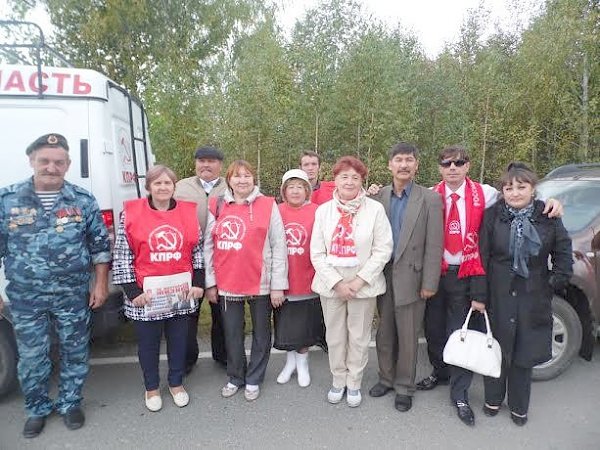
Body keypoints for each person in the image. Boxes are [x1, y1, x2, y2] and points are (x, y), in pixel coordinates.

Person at [414, 145, 563, 427]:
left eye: (459, 162)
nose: (453, 167)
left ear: (468, 166)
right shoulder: (430, 195)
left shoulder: (485, 193)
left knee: (461, 332)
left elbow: (520, 196)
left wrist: (550, 202)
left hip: (470, 272)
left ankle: (459, 394)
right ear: (439, 168)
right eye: (447, 163)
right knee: (433, 330)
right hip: (437, 272)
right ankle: (440, 371)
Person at [0, 133, 110, 438]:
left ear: (68, 164)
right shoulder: (6, 200)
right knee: (33, 355)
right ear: (31, 160)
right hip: (25, 296)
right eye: (45, 160)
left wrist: (100, 284)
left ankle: (70, 403)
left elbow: (100, 246)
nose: (51, 166)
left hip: (72, 293)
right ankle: (37, 408)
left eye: (58, 161)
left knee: (74, 351)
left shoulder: (82, 200)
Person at [479, 162, 572, 426]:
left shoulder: (548, 216)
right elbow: (482, 256)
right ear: (503, 191)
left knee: (523, 352)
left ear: (533, 189)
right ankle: (493, 399)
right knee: (496, 349)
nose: (515, 192)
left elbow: (563, 252)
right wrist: (480, 293)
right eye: (509, 188)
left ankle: (519, 406)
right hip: (498, 291)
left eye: (521, 187)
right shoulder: (492, 216)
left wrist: (553, 282)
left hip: (533, 293)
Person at [113, 165, 204, 412]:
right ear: (149, 187)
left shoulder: (187, 213)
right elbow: (121, 256)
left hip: (179, 293)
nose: (163, 188)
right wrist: (133, 292)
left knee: (179, 341)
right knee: (148, 344)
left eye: (167, 183)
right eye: (157, 183)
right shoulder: (131, 213)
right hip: (146, 295)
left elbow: (197, 251)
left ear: (174, 186)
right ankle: (151, 387)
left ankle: (176, 383)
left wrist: (198, 284)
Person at [310, 156, 393, 408]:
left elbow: (383, 249)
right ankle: (338, 380)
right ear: (335, 180)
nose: (349, 181)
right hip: (331, 285)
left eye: (355, 177)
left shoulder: (375, 210)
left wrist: (358, 282)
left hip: (363, 286)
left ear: (362, 181)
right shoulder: (323, 211)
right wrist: (337, 283)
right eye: (344, 176)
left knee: (358, 337)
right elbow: (317, 252)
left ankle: (354, 382)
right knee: (335, 336)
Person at [367, 143, 443, 413]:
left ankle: (404, 387)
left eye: (409, 160)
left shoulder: (430, 199)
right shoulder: (377, 197)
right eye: (398, 160)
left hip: (413, 277)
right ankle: (386, 378)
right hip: (383, 275)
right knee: (385, 332)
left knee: (408, 335)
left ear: (416, 165)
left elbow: (435, 244)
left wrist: (430, 283)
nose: (403, 165)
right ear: (390, 165)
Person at [204, 160, 288, 401]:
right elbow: (208, 246)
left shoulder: (268, 205)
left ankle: (254, 378)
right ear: (228, 180)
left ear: (254, 179)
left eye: (247, 175)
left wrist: (277, 286)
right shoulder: (217, 205)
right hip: (228, 282)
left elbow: (279, 246)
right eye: (237, 176)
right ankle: (236, 376)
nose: (242, 180)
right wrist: (210, 282)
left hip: (260, 282)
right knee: (231, 333)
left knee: (261, 333)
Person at [174, 145, 228, 371]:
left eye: (211, 161)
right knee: (187, 311)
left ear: (220, 165)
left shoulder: (232, 185)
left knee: (222, 312)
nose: (205, 165)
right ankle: (187, 359)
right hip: (187, 259)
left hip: (222, 259)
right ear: (195, 163)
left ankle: (223, 355)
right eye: (201, 160)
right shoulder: (180, 187)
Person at [273, 169, 325, 388]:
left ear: (307, 190)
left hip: (308, 278)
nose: (295, 191)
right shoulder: (275, 211)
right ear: (284, 191)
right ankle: (290, 363)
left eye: (300, 187)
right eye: (291, 187)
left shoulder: (318, 211)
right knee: (286, 326)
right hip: (283, 279)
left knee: (304, 327)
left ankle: (302, 364)